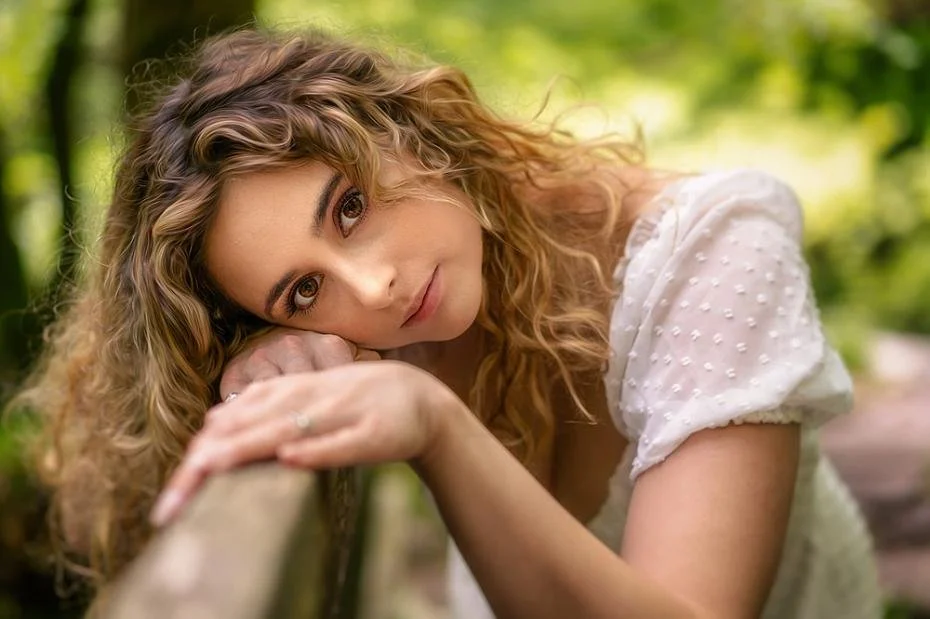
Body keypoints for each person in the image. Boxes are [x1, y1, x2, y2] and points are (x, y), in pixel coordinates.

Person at [12, 26, 882, 618]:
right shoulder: (374, 337)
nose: (374, 286)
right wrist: (279, 356)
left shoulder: (712, 245)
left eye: (349, 206)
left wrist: (434, 423)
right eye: (303, 290)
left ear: (409, 130)